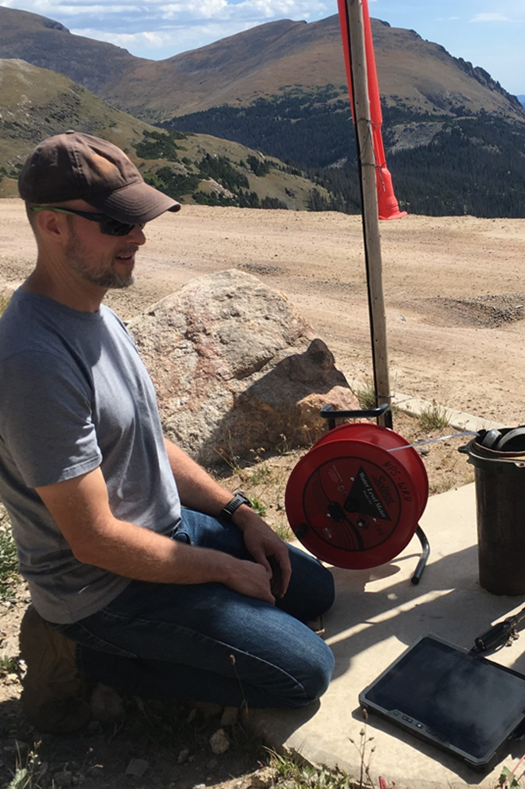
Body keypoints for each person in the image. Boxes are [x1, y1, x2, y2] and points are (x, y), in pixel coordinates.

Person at [0, 131, 336, 734]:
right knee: (303, 673)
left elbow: (150, 439)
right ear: (51, 226)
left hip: (165, 528)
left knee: (312, 590)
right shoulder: (32, 360)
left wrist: (239, 515)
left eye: (138, 221)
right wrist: (222, 570)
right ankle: (90, 660)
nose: (139, 237)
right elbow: (96, 541)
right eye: (116, 224)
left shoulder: (98, 312)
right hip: (102, 591)